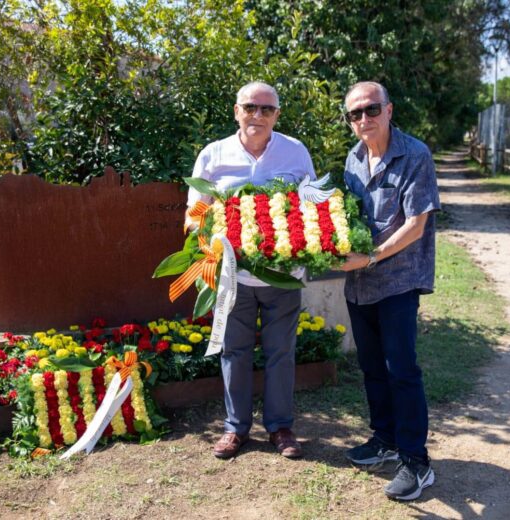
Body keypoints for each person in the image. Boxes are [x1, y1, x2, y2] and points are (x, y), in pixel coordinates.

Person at [185, 81, 316, 459]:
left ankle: (280, 428)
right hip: (232, 278)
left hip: (282, 276)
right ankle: (235, 429)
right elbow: (195, 211)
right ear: (236, 111)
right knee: (234, 352)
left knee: (281, 352)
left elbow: (311, 205)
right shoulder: (214, 154)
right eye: (250, 107)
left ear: (277, 114)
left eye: (267, 109)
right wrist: (206, 240)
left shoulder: (295, 152)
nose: (257, 115)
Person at [336, 81, 440, 500]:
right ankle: (385, 439)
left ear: (389, 110)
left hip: (397, 282)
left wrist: (371, 258)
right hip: (359, 285)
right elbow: (347, 219)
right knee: (372, 368)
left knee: (402, 371)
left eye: (371, 110)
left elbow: (416, 226)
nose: (364, 119)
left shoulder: (415, 155)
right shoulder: (354, 158)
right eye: (355, 114)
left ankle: (416, 461)